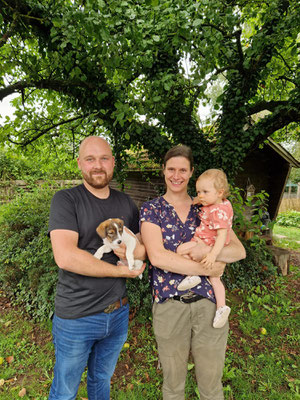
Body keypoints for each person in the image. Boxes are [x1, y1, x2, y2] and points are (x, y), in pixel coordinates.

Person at [140, 145, 246, 400]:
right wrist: (210, 264)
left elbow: (238, 251)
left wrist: (206, 250)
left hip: (208, 305)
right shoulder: (151, 209)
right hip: (169, 304)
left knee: (211, 385)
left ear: (191, 173)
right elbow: (157, 257)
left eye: (183, 170)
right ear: (163, 170)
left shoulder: (207, 205)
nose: (177, 175)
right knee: (173, 384)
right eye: (171, 169)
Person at [48, 136, 145, 400]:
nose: (98, 165)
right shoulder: (66, 200)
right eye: (90, 159)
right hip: (77, 317)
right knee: (66, 390)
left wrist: (135, 253)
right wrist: (121, 271)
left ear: (113, 162)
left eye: (104, 158)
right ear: (80, 164)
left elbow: (142, 245)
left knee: (101, 380)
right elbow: (66, 256)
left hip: (117, 313)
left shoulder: (126, 203)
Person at [176, 169, 233, 329]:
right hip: (208, 245)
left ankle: (192, 274)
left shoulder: (218, 212)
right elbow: (206, 200)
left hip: (207, 245)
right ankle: (222, 307)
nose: (200, 195)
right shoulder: (221, 203)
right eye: (198, 192)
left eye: (204, 192)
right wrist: (199, 200)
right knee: (215, 279)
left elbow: (222, 235)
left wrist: (212, 254)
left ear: (220, 192)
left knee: (180, 250)